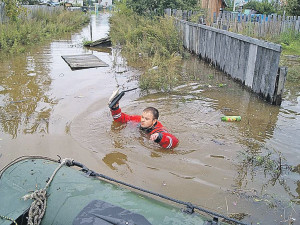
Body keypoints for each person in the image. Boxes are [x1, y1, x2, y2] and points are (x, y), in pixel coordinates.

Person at [110, 102, 179, 149]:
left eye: (146, 119)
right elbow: (120, 119)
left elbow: (174, 142)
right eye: (142, 117)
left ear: (154, 121)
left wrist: (159, 137)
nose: (142, 120)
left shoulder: (158, 129)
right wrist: (115, 108)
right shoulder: (138, 119)